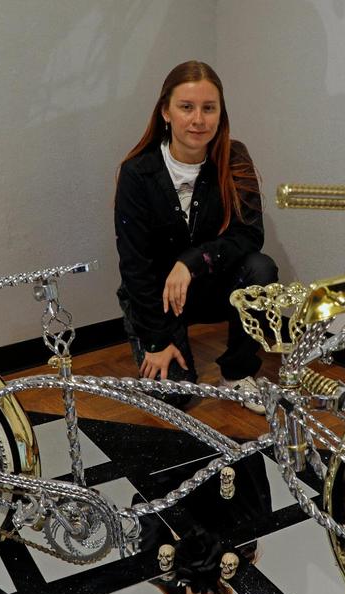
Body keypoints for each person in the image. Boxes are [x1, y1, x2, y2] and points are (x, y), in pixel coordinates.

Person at [114, 60, 277, 412]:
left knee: (261, 268)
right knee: (175, 397)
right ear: (166, 112)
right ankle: (164, 346)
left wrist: (190, 263)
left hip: (209, 285)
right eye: (186, 107)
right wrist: (156, 342)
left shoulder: (235, 158)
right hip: (157, 298)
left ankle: (237, 372)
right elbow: (134, 264)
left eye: (208, 108)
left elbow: (249, 235)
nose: (198, 120)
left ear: (220, 113)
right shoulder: (137, 172)